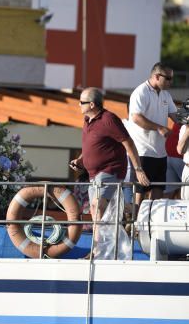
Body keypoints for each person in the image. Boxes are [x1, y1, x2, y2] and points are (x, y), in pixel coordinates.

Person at [70, 88, 149, 230]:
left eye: (82, 102)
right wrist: (80, 161)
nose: (79, 105)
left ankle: (97, 249)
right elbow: (91, 146)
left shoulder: (109, 119)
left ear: (92, 104)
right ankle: (137, 211)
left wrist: (138, 169)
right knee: (98, 210)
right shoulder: (87, 120)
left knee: (96, 205)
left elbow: (129, 143)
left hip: (110, 170)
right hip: (93, 174)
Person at [126, 63, 178, 203]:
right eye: (168, 78)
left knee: (158, 194)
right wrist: (159, 128)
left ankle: (150, 224)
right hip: (143, 152)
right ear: (156, 76)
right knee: (139, 194)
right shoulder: (141, 92)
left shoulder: (166, 94)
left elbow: (176, 117)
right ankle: (135, 223)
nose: (170, 82)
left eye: (172, 78)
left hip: (161, 153)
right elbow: (136, 117)